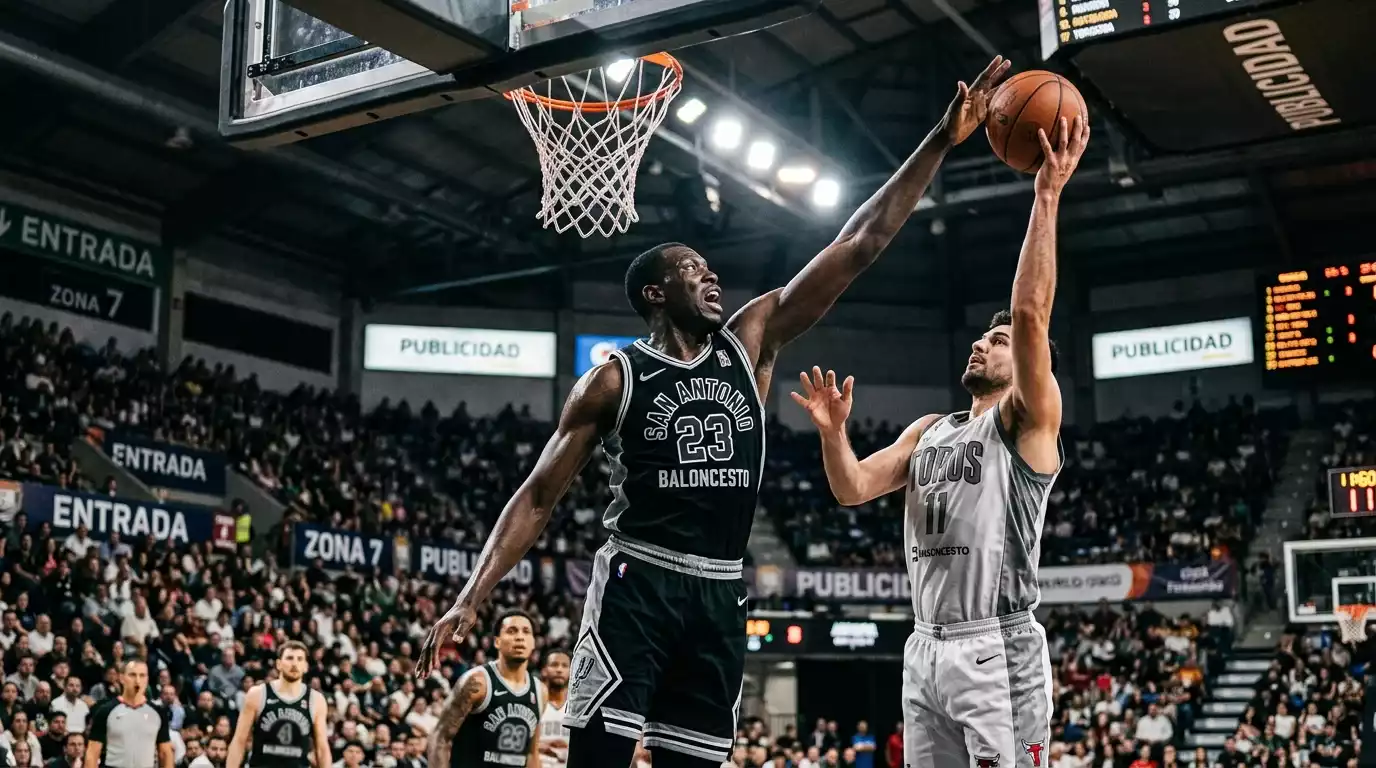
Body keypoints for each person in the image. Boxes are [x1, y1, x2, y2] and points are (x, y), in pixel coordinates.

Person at [414, 55, 1016, 768]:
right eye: (692, 270)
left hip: (720, 591)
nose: (712, 276)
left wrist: (941, 140)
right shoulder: (614, 379)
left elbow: (858, 245)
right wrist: (473, 595)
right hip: (637, 582)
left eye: (711, 267)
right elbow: (539, 495)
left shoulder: (752, 339)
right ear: (654, 294)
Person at [790, 111, 1090, 767]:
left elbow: (1031, 315)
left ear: (1032, 367)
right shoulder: (929, 429)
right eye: (982, 338)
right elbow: (853, 489)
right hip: (924, 644)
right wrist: (833, 435)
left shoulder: (1025, 421)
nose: (984, 342)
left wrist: (1046, 196)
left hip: (997, 643)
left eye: (999, 341)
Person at [427, 611, 544, 768]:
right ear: (497, 641)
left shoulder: (540, 690)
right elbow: (440, 738)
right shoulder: (477, 682)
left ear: (533, 643)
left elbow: (531, 753)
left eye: (526, 632)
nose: (520, 637)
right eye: (511, 631)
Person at [225, 641, 331, 768]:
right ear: (279, 664)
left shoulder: (316, 699)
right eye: (289, 658)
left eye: (300, 659)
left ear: (306, 666)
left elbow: (322, 748)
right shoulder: (258, 694)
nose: (294, 663)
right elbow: (239, 741)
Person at [85, 659, 174, 768]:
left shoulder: (158, 713)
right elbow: (92, 753)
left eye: (142, 676)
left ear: (147, 679)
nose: (137, 681)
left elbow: (165, 753)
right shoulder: (105, 711)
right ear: (122, 678)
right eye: (132, 675)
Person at [538, 650, 571, 768]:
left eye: (565, 666)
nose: (559, 670)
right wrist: (543, 746)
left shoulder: (578, 710)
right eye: (554, 665)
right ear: (544, 670)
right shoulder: (533, 704)